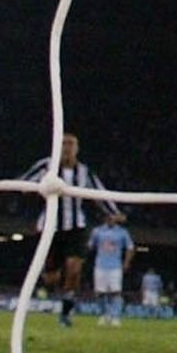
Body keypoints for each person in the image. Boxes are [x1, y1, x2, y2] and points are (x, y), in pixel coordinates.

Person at [20, 133, 115, 327]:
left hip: (76, 228)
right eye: (63, 144)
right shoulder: (46, 166)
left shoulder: (84, 172)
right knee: (51, 278)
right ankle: (53, 285)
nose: (67, 148)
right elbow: (23, 182)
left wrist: (113, 211)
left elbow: (99, 192)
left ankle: (66, 312)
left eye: (71, 144)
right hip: (50, 227)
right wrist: (27, 188)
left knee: (74, 268)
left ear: (77, 149)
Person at [88, 210, 134, 326]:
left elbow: (130, 247)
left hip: (115, 266)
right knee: (100, 293)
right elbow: (90, 246)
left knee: (116, 292)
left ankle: (116, 317)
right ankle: (104, 315)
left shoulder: (122, 232)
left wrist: (126, 262)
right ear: (105, 218)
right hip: (100, 265)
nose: (110, 218)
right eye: (108, 216)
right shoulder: (97, 231)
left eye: (113, 216)